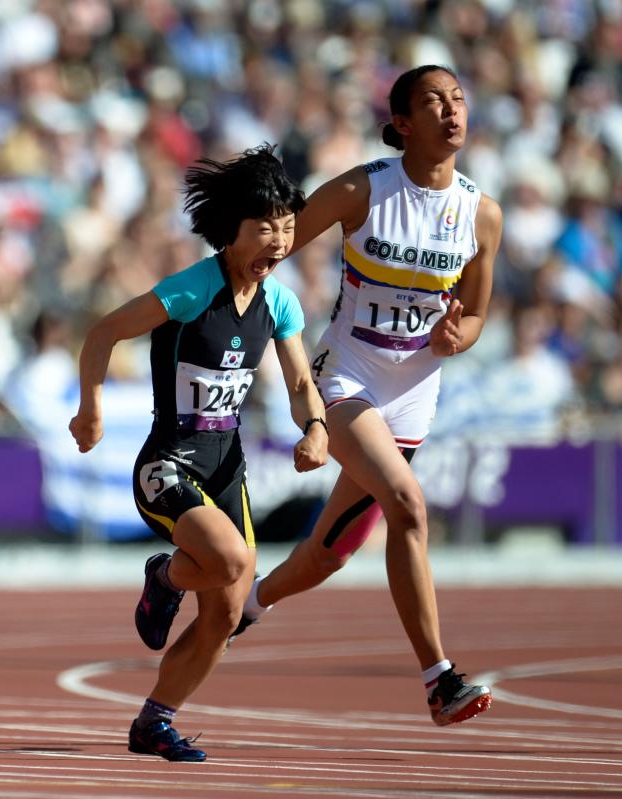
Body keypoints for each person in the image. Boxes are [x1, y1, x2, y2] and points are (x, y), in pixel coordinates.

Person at [229, 66, 503, 728]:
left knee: (332, 551)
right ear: (403, 123)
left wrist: (454, 335)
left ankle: (243, 605)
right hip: (346, 376)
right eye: (434, 101)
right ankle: (440, 679)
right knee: (408, 504)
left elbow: (473, 317)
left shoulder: (482, 215)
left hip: (414, 393)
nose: (452, 110)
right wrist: (238, 301)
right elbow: (280, 241)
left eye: (458, 99)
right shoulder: (363, 190)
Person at [69, 145, 329, 762]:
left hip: (227, 468)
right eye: (264, 227)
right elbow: (103, 331)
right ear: (232, 230)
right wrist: (91, 408)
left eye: (287, 227)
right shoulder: (191, 290)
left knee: (230, 612)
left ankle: (154, 720)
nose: (278, 240)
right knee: (232, 559)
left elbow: (298, 382)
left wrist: (315, 427)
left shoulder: (280, 303)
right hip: (169, 465)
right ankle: (162, 575)